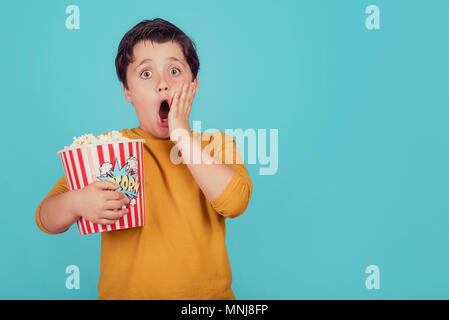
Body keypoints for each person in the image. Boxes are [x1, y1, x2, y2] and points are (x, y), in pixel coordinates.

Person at [35, 18, 253, 300]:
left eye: (174, 70)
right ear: (128, 90)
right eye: (146, 74)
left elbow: (235, 203)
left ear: (193, 85)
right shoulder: (108, 150)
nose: (163, 84)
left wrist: (183, 136)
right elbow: (46, 218)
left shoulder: (214, 145)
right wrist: (76, 202)